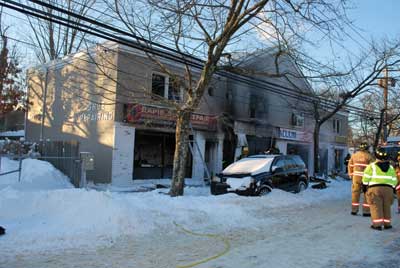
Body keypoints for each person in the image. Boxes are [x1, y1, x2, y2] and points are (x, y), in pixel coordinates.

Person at [362, 147, 397, 230]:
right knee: (386, 206)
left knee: (376, 206)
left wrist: (364, 187)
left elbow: (366, 178)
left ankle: (377, 225)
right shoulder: (391, 167)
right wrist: (393, 189)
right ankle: (387, 224)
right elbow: (394, 180)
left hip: (375, 189)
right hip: (388, 189)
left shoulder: (371, 166)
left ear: (376, 155)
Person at [348, 142, 374, 216]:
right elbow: (372, 168)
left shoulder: (354, 156)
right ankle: (366, 211)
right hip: (366, 179)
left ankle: (354, 210)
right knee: (367, 194)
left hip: (356, 178)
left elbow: (350, 165)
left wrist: (351, 175)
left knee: (355, 194)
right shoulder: (369, 156)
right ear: (366, 148)